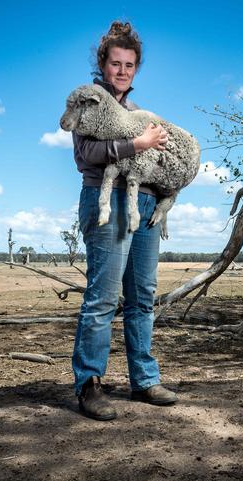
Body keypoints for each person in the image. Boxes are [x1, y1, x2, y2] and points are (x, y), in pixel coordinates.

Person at [71, 20, 178, 421]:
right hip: (108, 200)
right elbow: (85, 156)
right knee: (102, 297)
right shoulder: (87, 103)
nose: (122, 71)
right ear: (102, 64)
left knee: (142, 298)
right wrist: (137, 144)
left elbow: (157, 161)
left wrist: (166, 175)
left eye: (129, 65)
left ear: (136, 69)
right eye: (115, 63)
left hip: (145, 205)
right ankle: (89, 385)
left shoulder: (138, 112)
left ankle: (144, 380)